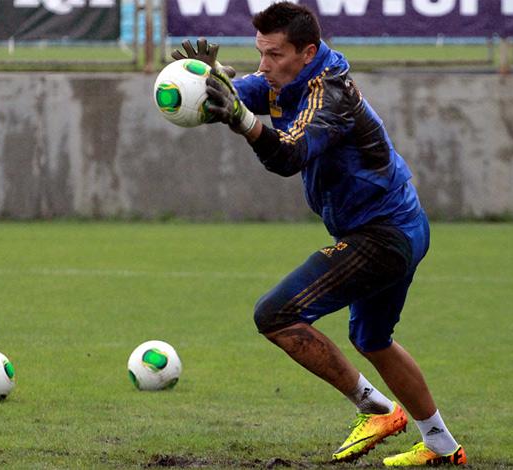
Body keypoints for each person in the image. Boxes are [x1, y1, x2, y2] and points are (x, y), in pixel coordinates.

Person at [172, 2, 466, 466]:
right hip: (401, 225)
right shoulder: (285, 78)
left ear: (307, 53)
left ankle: (377, 410)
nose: (264, 64)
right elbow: (239, 96)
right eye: (260, 52)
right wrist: (208, 83)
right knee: (372, 339)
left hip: (382, 234)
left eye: (274, 54)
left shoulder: (330, 94)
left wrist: (241, 119)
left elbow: (289, 156)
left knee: (276, 314)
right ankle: (443, 446)